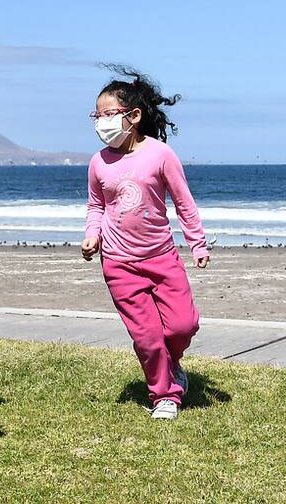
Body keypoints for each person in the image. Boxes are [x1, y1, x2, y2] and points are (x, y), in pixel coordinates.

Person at [81, 66, 209, 420]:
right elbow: (96, 206)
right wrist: (93, 235)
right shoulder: (98, 162)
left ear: (134, 116)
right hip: (118, 262)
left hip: (161, 257)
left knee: (182, 326)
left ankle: (171, 364)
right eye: (97, 116)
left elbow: (183, 202)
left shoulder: (160, 154)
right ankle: (165, 394)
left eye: (109, 115)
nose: (101, 123)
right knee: (147, 338)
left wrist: (197, 244)